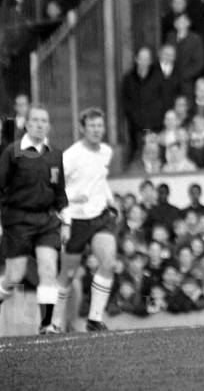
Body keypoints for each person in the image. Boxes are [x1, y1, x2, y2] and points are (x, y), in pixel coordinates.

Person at [0, 105, 67, 333]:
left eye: (44, 121)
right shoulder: (12, 152)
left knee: (48, 269)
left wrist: (66, 219)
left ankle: (47, 325)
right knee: (14, 276)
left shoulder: (55, 154)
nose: (40, 124)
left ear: (49, 125)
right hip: (18, 220)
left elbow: (60, 191)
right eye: (35, 120)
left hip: (47, 219)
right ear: (27, 124)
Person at [52, 108, 119, 332]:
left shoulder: (106, 151)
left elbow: (100, 179)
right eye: (92, 126)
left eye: (100, 125)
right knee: (68, 274)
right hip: (76, 220)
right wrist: (71, 201)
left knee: (109, 262)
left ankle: (95, 319)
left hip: (100, 217)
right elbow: (55, 188)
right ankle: (54, 322)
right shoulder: (71, 155)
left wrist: (111, 200)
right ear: (82, 128)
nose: (96, 130)